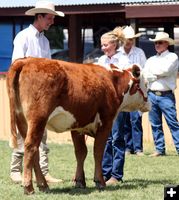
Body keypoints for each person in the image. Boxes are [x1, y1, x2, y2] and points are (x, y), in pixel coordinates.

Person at [10, 0, 64, 183]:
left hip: (42, 94)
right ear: (39, 17)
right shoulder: (23, 37)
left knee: (42, 133)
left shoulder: (45, 41)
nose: (52, 21)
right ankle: (15, 170)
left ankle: (44, 172)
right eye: (49, 18)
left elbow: (48, 67)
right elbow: (17, 64)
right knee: (24, 132)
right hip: (25, 92)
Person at [98, 26, 127, 185]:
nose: (103, 48)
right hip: (103, 106)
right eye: (102, 45)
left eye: (106, 45)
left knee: (117, 139)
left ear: (114, 45)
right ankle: (104, 173)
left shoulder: (123, 60)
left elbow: (124, 82)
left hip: (117, 105)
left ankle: (116, 175)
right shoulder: (101, 61)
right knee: (105, 138)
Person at [143, 32, 179, 157]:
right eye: (156, 43)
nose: (157, 45)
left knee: (172, 123)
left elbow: (165, 70)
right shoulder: (151, 59)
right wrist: (156, 75)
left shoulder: (173, 57)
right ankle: (159, 149)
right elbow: (145, 75)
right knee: (155, 124)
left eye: (160, 42)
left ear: (167, 43)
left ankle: (178, 148)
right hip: (152, 94)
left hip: (166, 95)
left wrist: (153, 74)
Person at [119, 26, 147, 156]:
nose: (129, 41)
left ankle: (138, 148)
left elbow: (144, 70)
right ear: (122, 39)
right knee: (124, 120)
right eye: (126, 39)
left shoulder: (139, 52)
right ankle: (128, 147)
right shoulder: (118, 53)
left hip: (136, 90)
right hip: (124, 91)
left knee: (135, 119)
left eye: (131, 39)